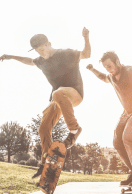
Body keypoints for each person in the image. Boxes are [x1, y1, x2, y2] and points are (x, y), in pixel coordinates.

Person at [0, 27, 91, 178]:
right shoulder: (41, 61)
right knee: (43, 128)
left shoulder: (65, 53)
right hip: (58, 99)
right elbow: (29, 61)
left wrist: (86, 37)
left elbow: (86, 54)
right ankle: (47, 164)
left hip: (74, 94)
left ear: (49, 43)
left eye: (42, 49)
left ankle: (74, 130)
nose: (41, 54)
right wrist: (10, 56)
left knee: (57, 93)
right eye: (37, 51)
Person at [86, 51, 132, 186]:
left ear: (118, 62)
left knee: (128, 137)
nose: (108, 70)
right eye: (106, 67)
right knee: (117, 142)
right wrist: (92, 69)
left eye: (109, 66)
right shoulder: (111, 77)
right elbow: (103, 77)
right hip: (127, 112)